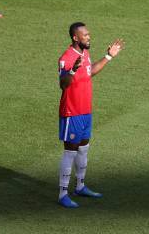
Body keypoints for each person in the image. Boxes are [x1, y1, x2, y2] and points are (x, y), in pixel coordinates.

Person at [56, 22, 125, 208]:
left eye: (89, 34)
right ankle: (62, 194)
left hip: (86, 110)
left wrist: (109, 56)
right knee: (70, 152)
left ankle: (80, 186)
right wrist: (72, 70)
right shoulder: (67, 57)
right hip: (72, 112)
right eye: (85, 35)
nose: (88, 37)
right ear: (75, 37)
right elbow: (63, 84)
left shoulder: (85, 53)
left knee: (84, 148)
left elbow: (90, 72)